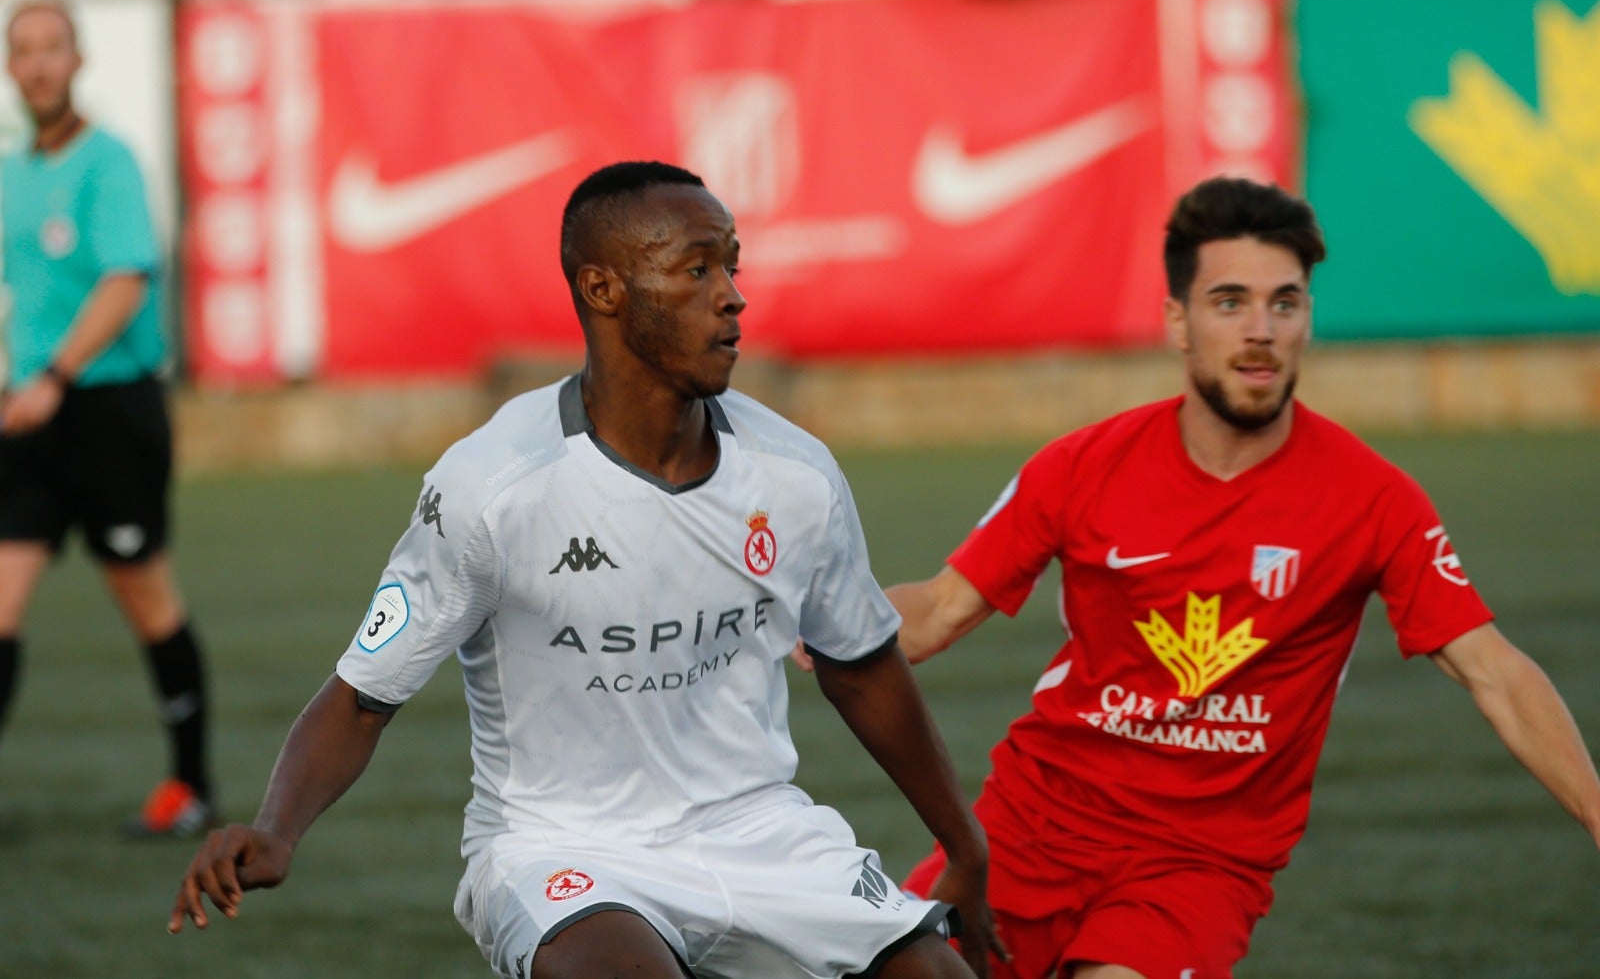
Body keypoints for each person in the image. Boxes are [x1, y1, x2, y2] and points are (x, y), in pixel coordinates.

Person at [169, 161, 998, 979]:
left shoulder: (797, 474)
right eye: (697, 268)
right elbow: (362, 697)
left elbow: (861, 667)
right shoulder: (492, 486)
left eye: (732, 266)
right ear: (603, 290)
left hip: (760, 834)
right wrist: (277, 829)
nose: (733, 295)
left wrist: (963, 842)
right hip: (561, 852)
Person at [885, 177, 1600, 978]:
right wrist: (810, 609)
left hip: (1196, 867)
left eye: (1285, 303)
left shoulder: (1373, 499)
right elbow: (937, 612)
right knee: (898, 969)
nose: (1261, 330)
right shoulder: (1082, 467)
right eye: (1230, 302)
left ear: (1307, 320)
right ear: (1178, 323)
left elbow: (1494, 671)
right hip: (1031, 830)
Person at [0, 0, 215, 836]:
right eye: (25, 51)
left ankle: (190, 787)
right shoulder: (14, 173)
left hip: (109, 412)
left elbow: (126, 280)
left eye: (55, 48)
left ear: (78, 60)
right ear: (13, 69)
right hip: (30, 417)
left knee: (147, 600)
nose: (41, 64)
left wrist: (55, 373)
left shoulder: (111, 162)